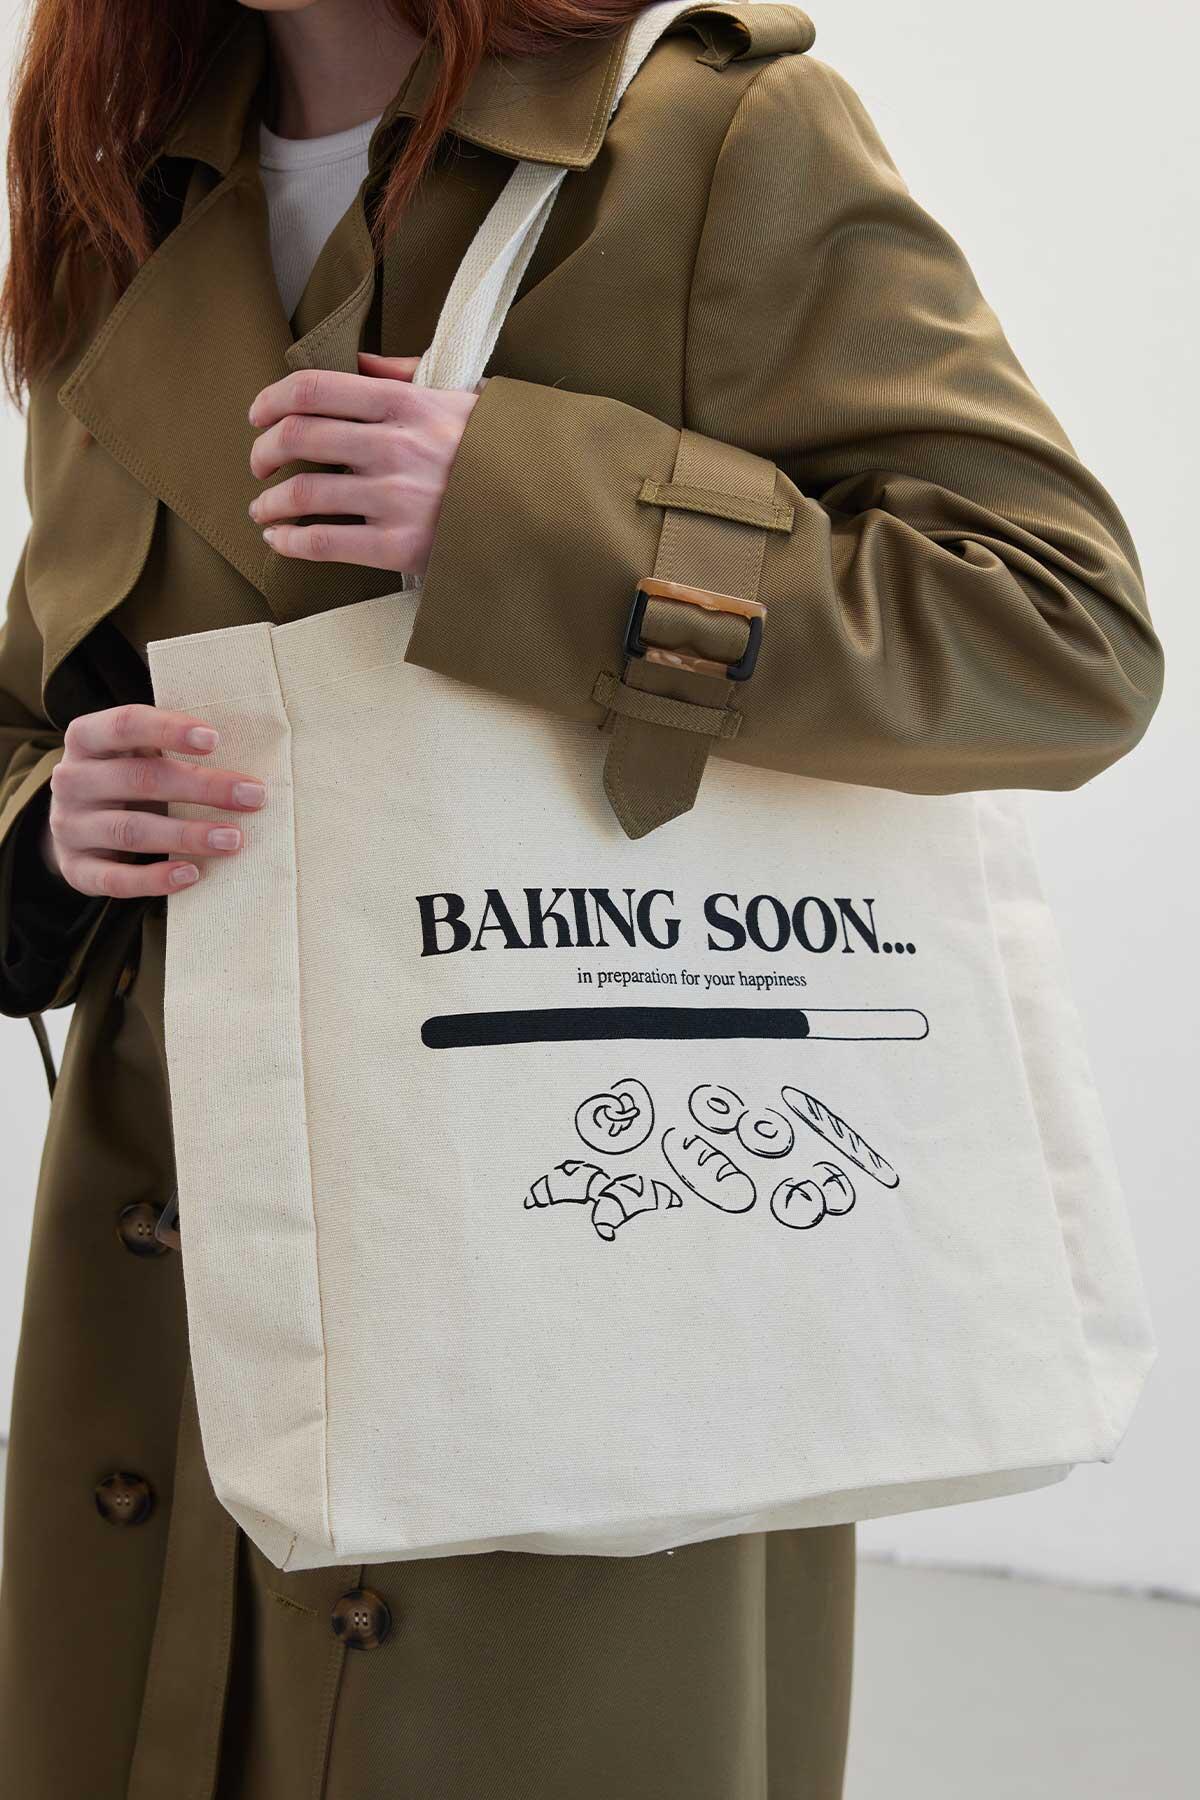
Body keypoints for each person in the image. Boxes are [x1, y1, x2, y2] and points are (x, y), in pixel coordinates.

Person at [0, 0, 1163, 1795]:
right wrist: (55, 819)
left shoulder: (712, 135)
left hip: (590, 1273)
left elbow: (1057, 635)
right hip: (171, 1290)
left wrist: (534, 511)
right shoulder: (119, 190)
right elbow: (36, 693)